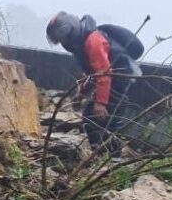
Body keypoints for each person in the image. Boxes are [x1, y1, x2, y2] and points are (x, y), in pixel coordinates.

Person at [46, 12, 144, 153]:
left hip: (119, 76)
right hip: (113, 77)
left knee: (103, 118)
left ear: (72, 31)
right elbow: (94, 74)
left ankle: (111, 157)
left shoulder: (93, 41)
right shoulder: (82, 43)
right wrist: (82, 93)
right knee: (96, 117)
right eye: (60, 39)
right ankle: (101, 152)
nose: (64, 42)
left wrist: (101, 103)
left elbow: (103, 73)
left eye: (64, 38)